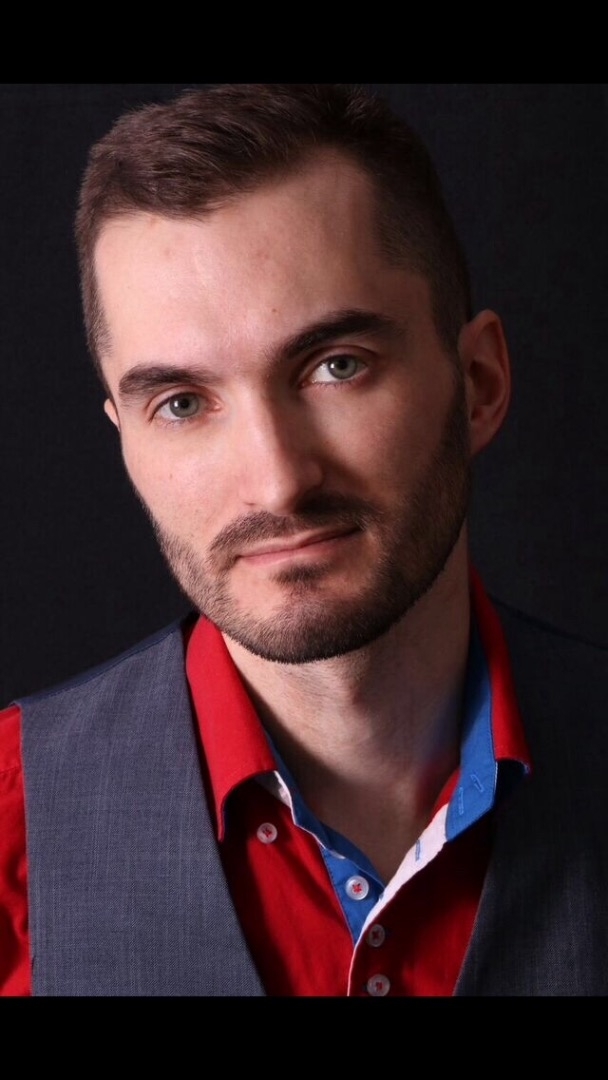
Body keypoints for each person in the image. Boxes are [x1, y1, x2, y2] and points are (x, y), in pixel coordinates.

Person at [1, 82, 607, 998]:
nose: (278, 481)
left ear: (478, 384)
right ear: (125, 438)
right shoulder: (11, 825)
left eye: (336, 366)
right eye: (182, 403)